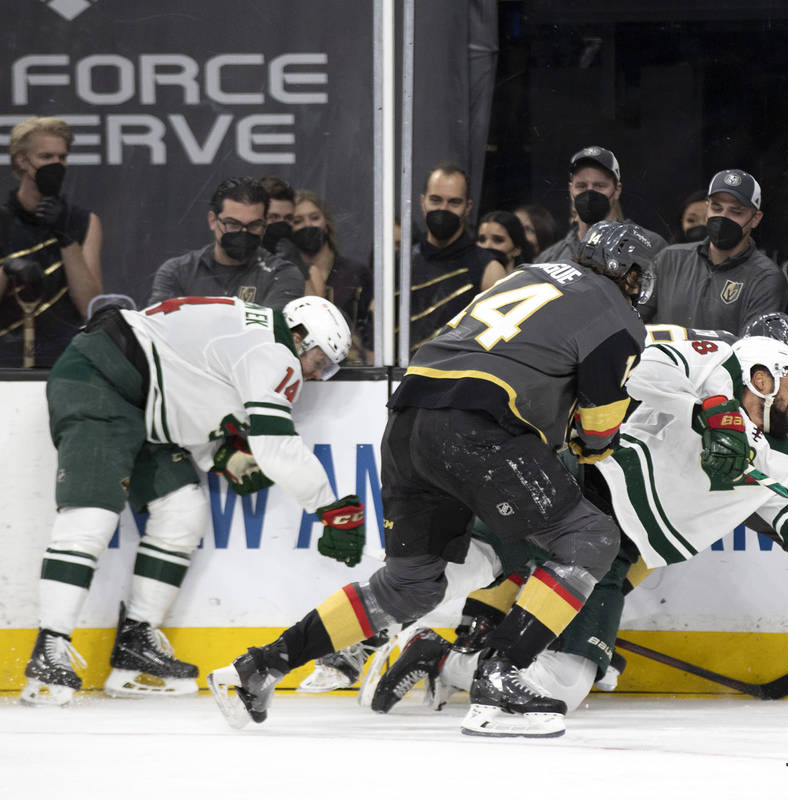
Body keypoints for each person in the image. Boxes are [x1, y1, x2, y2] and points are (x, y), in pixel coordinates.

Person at [369, 313, 788, 719]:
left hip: (615, 553)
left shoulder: (782, 462)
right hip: (574, 490)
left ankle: (442, 661)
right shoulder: (708, 360)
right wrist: (714, 408)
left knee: (568, 683)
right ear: (763, 372)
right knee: (457, 570)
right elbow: (636, 361)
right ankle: (360, 641)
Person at [208, 221, 653, 738]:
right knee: (591, 537)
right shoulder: (614, 310)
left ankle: (260, 667)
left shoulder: (527, 276)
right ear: (633, 274)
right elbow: (598, 428)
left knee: (409, 585)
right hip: (479, 421)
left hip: (409, 417)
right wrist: (583, 442)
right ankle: (499, 679)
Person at [20, 295, 364, 706]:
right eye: (320, 361)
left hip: (138, 395)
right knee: (91, 515)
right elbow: (278, 448)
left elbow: (185, 383)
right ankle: (49, 647)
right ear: (300, 336)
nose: (316, 374)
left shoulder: (252, 332)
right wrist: (331, 509)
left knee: (183, 509)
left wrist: (219, 454)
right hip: (103, 377)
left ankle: (135, 646)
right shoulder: (275, 353)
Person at [0, 116, 103, 367]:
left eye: (62, 158)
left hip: (64, 357)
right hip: (5, 356)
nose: (56, 165)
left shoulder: (84, 221)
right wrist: (7, 269)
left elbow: (90, 306)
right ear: (22, 161)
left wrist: (66, 236)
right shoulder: (2, 219)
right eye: (46, 157)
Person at [640, 169, 787, 333]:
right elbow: (634, 320)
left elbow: (753, 348)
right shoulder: (669, 259)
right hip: (664, 358)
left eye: (736, 211)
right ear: (707, 207)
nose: (723, 216)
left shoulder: (765, 277)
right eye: (717, 208)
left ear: (755, 218)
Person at [146, 177, 305, 310]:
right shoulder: (178, 272)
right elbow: (160, 332)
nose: (243, 232)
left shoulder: (281, 274)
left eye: (253, 225)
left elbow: (272, 335)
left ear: (264, 225)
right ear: (213, 220)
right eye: (233, 224)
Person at [407, 162, 504, 354]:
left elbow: (498, 345)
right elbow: (373, 340)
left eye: (454, 202)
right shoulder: (399, 264)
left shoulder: (489, 269)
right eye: (435, 200)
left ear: (467, 207)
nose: (443, 209)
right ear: (422, 201)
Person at [535, 146, 667, 264]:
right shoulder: (549, 259)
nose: (589, 192)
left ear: (617, 190)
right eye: (581, 186)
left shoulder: (650, 246)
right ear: (570, 190)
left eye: (599, 186)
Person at [292, 189, 373, 364]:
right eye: (298, 221)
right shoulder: (288, 276)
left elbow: (370, 331)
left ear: (326, 221)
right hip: (307, 370)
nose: (308, 225)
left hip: (354, 371)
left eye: (314, 218)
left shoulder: (355, 273)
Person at [477, 209, 535, 291]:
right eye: (482, 240)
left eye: (498, 240)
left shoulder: (528, 287)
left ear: (516, 250)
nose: (487, 246)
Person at [258, 175, 304, 268]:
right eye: (273, 217)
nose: (281, 224)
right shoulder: (238, 261)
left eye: (288, 218)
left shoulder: (303, 261)